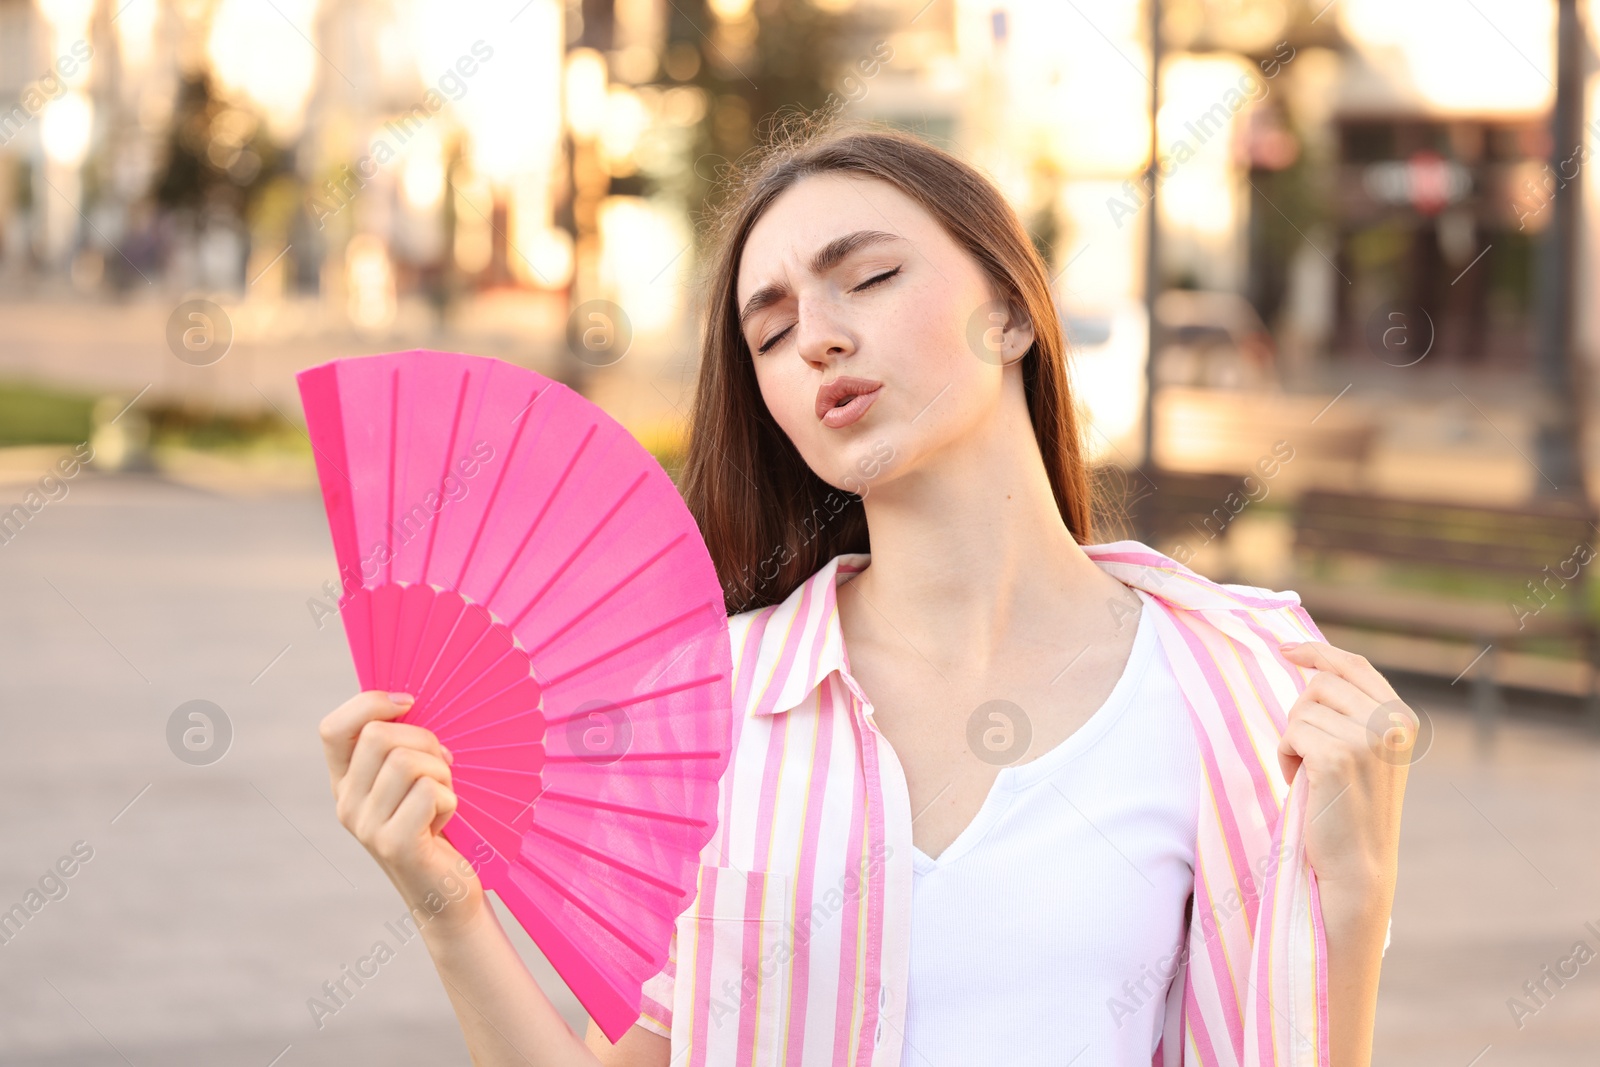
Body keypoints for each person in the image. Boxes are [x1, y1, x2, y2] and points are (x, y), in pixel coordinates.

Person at [318, 122, 1412, 1067]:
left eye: (870, 277)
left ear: (1012, 313)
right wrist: (446, 900)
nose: (820, 336)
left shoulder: (1233, 687)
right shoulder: (715, 702)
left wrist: (1350, 905)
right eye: (772, 329)